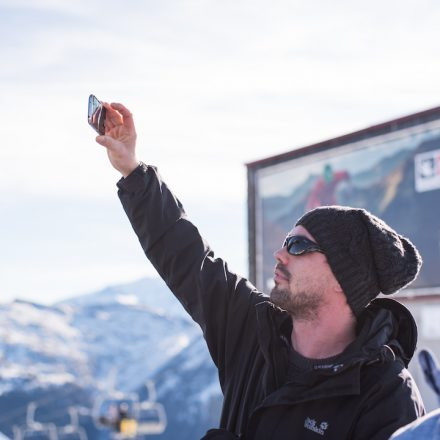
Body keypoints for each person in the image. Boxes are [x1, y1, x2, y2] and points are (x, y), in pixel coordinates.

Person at [95, 102, 425, 440]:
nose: (280, 253)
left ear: (344, 278)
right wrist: (133, 171)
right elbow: (186, 255)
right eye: (286, 241)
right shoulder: (252, 331)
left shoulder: (387, 395)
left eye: (298, 247)